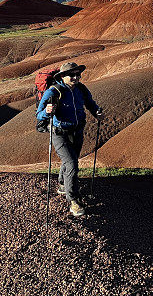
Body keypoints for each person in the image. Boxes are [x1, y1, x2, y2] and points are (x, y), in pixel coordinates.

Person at [36, 62, 103, 217]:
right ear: (62, 77)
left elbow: (90, 104)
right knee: (72, 163)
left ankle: (61, 183)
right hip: (59, 133)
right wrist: (47, 112)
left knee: (71, 160)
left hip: (77, 130)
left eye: (78, 74)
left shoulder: (81, 89)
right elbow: (39, 114)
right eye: (71, 75)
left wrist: (97, 113)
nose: (75, 77)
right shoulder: (54, 91)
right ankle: (73, 200)